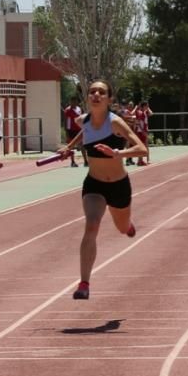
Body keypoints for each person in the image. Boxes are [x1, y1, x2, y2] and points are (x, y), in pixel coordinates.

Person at [56, 80, 146, 300]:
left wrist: (118, 153)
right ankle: (84, 283)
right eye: (92, 92)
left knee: (122, 227)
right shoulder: (82, 120)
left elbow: (142, 149)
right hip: (94, 184)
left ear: (109, 99)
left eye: (102, 92)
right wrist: (69, 149)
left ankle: (127, 226)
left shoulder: (116, 123)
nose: (96, 95)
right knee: (92, 225)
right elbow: (83, 133)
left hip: (118, 185)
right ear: (88, 97)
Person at [63, 97, 83, 167]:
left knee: (82, 145)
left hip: (79, 130)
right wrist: (66, 132)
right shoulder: (67, 110)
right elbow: (65, 122)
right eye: (72, 101)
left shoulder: (79, 109)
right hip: (71, 130)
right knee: (71, 146)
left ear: (77, 102)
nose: (73, 102)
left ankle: (86, 161)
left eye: (75, 101)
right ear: (70, 102)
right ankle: (72, 161)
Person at [133, 101, 153, 166]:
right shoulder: (139, 112)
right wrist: (142, 131)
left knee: (146, 145)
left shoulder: (145, 112)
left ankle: (143, 160)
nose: (147, 107)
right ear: (143, 106)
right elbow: (137, 123)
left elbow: (151, 113)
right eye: (146, 106)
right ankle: (140, 161)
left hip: (145, 130)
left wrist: (148, 108)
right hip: (140, 131)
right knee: (141, 146)